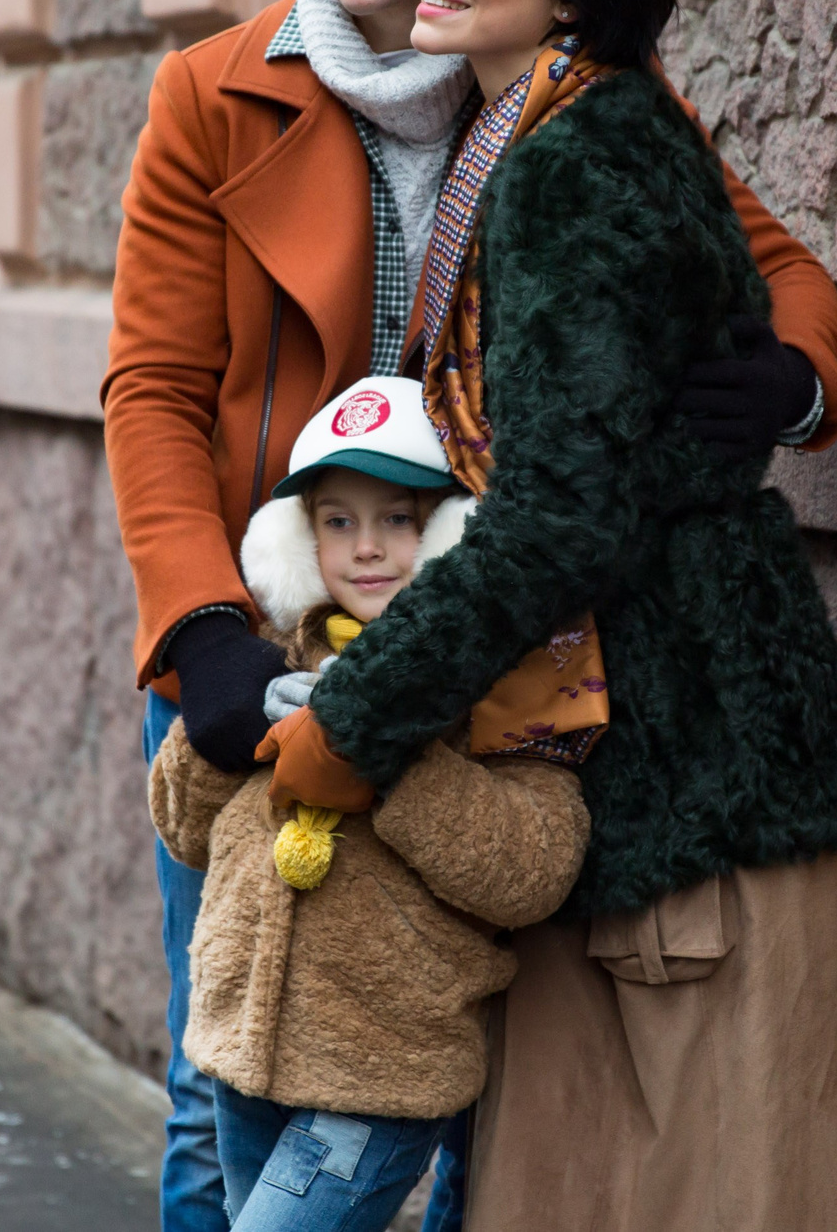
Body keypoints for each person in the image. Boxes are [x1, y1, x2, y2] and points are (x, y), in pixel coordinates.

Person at [104, 0, 837, 1231]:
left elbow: (758, 261)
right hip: (271, 634)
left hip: (475, 649)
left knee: (445, 1064)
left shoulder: (537, 83)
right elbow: (154, 386)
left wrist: (795, 379)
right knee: (230, 1068)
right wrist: (201, 633)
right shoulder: (218, 91)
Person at [297, 0, 837, 1231]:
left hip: (683, 771)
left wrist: (356, 714)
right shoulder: (547, 129)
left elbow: (559, 508)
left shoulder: (581, 152)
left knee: (708, 1177)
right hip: (638, 759)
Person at [150, 376, 589, 1231]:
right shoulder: (271, 654)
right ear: (299, 537)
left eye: (398, 517)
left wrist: (393, 755)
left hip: (380, 1073)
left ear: (447, 529)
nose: (368, 548)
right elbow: (180, 828)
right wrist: (226, 726)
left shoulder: (495, 675)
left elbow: (535, 864)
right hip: (243, 1058)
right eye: (338, 520)